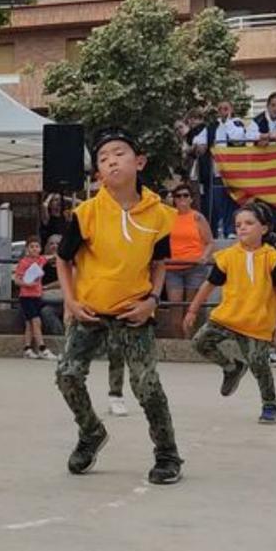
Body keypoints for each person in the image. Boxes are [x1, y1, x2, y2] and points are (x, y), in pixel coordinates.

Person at [54, 127, 182, 484]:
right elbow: (63, 260)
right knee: (67, 375)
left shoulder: (159, 215)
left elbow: (159, 263)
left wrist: (152, 301)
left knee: (146, 385)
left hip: (135, 313)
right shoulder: (87, 213)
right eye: (103, 158)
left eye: (119, 153)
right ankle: (91, 432)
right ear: (98, 173)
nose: (111, 160)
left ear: (139, 161)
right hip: (91, 312)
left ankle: (168, 454)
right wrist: (71, 300)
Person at [183, 200, 276, 425]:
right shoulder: (227, 256)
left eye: (249, 223)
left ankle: (270, 405)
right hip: (227, 317)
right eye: (238, 224)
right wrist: (193, 310)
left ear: (263, 229)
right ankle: (231, 367)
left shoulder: (272, 259)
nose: (242, 227)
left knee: (259, 363)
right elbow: (209, 284)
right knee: (199, 342)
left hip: (256, 322)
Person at [163, 183, 214, 338]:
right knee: (175, 305)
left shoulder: (197, 217)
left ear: (191, 198)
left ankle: (188, 342)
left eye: (185, 195)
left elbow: (210, 242)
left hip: (195, 267)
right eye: (178, 196)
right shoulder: (167, 216)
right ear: (174, 199)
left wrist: (205, 257)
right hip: (172, 268)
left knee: (191, 307)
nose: (182, 199)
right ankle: (178, 342)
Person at [192, 101, 248, 237]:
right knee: (216, 202)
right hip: (216, 170)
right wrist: (198, 146)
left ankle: (230, 230)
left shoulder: (237, 123)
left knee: (232, 200)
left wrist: (227, 122)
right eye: (221, 109)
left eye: (226, 108)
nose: (223, 111)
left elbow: (238, 138)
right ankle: (214, 231)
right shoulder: (212, 126)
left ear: (231, 109)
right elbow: (199, 141)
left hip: (233, 171)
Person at [14, 236, 56, 360]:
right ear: (27, 249)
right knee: (36, 321)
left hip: (36, 295)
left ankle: (27, 348)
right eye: (32, 246)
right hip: (26, 296)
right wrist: (27, 284)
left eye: (37, 246)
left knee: (29, 323)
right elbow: (17, 280)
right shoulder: (24, 262)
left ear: (40, 248)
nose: (34, 249)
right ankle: (42, 348)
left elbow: (49, 258)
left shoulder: (40, 260)